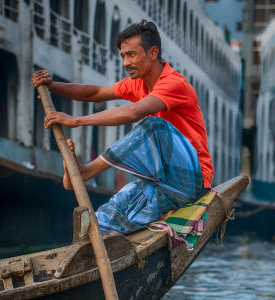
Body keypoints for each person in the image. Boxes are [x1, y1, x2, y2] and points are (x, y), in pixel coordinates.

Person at [32, 20, 213, 234]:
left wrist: (76, 120)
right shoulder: (137, 84)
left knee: (153, 126)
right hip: (161, 183)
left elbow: (133, 113)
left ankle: (86, 171)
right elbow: (95, 93)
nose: (125, 62)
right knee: (104, 217)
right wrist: (52, 86)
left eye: (132, 54)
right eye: (123, 56)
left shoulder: (174, 84)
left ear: (153, 52)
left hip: (192, 180)